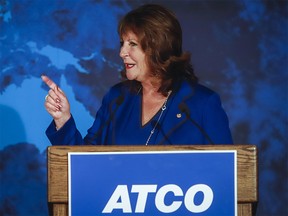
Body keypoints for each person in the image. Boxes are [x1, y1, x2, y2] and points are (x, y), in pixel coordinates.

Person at [42, 4, 233, 146]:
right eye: (122, 43)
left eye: (132, 44)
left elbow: (227, 174)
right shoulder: (116, 99)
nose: (122, 53)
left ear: (158, 48)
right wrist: (63, 118)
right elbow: (85, 163)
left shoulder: (202, 104)